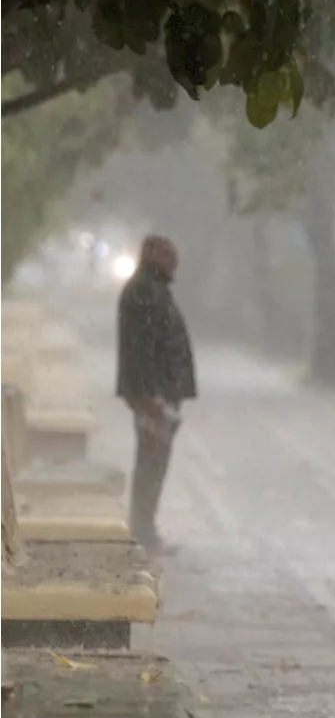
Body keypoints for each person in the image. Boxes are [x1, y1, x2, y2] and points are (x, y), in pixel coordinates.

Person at [116, 235, 196, 556]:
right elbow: (141, 350)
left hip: (159, 392)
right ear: (152, 255)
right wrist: (150, 395)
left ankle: (145, 528)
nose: (175, 261)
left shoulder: (152, 289)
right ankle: (143, 531)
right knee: (151, 462)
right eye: (168, 254)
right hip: (153, 396)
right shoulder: (144, 292)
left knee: (154, 462)